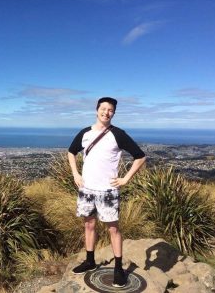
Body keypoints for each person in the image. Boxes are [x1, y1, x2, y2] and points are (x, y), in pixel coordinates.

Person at [68, 97, 146, 288]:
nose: (106, 112)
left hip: (108, 190)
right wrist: (75, 173)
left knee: (113, 228)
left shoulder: (118, 134)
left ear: (113, 113)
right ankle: (89, 260)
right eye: (103, 109)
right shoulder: (85, 133)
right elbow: (71, 152)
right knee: (89, 225)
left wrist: (126, 179)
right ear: (97, 110)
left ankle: (118, 268)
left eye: (110, 110)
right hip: (86, 188)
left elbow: (140, 156)